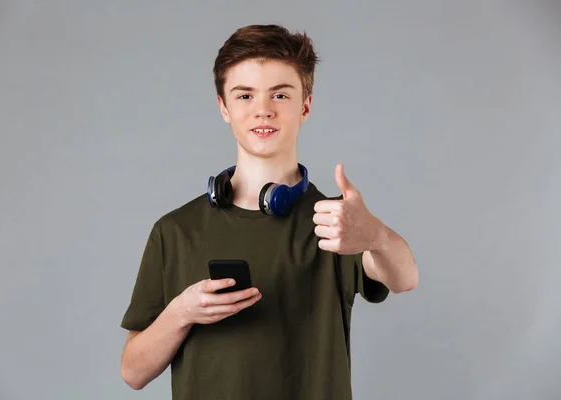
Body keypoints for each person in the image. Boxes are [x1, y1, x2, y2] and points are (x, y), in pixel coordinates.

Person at [119, 24, 418, 399]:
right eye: (245, 95)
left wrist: (376, 235)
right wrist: (182, 312)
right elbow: (133, 372)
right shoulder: (175, 231)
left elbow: (405, 278)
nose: (263, 110)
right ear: (223, 107)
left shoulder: (337, 223)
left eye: (280, 94)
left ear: (305, 105)